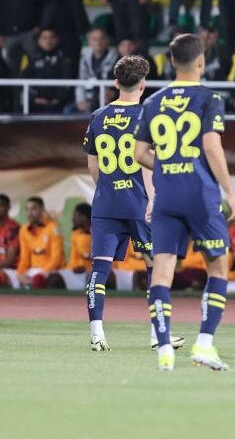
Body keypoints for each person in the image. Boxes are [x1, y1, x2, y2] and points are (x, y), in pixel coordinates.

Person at [133, 33, 235, 371]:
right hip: (200, 194)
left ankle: (164, 347)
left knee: (162, 272)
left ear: (170, 62)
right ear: (201, 61)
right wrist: (230, 192)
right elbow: (212, 146)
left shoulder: (152, 101)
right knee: (217, 267)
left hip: (166, 196)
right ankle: (204, 345)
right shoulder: (210, 98)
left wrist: (166, 167)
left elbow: (139, 154)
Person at [83, 55, 179, 351]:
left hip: (106, 204)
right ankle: (157, 334)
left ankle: (97, 333)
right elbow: (152, 162)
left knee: (100, 268)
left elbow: (93, 165)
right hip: (140, 204)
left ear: (115, 83)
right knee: (155, 267)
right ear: (143, 83)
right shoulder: (147, 115)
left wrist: (110, 190)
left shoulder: (98, 116)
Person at [14, 197, 65, 289]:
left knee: (40, 281)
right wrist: (20, 273)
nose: (29, 213)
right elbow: (24, 257)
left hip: (51, 271)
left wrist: (42, 273)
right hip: (32, 270)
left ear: (42, 210)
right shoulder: (24, 230)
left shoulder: (53, 227)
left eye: (33, 209)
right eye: (27, 209)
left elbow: (56, 258)